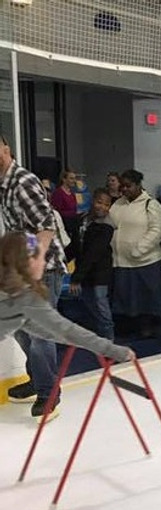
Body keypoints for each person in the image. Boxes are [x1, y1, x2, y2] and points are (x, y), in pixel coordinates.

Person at [1, 232, 133, 422]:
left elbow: (60, 332)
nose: (45, 263)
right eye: (39, 256)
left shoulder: (23, 298)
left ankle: (46, 390)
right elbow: (65, 331)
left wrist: (111, 349)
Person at [0, 132, 66, 419]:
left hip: (44, 269)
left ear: (7, 149)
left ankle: (49, 391)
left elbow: (47, 225)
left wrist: (35, 266)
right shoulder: (3, 185)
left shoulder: (22, 181)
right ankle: (38, 378)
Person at [108, 169, 161, 337]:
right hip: (120, 261)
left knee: (146, 297)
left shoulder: (151, 204)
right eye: (123, 187)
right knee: (125, 296)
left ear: (138, 185)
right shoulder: (118, 204)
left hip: (144, 260)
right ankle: (129, 325)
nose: (125, 190)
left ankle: (147, 327)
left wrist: (139, 249)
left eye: (129, 186)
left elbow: (158, 229)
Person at [69, 189, 115, 340]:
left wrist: (76, 277)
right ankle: (100, 340)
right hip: (85, 272)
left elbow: (93, 253)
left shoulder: (107, 226)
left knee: (101, 306)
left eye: (107, 204)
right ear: (93, 201)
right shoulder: (82, 219)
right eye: (99, 202)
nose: (102, 207)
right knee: (90, 305)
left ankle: (109, 343)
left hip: (100, 273)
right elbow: (75, 245)